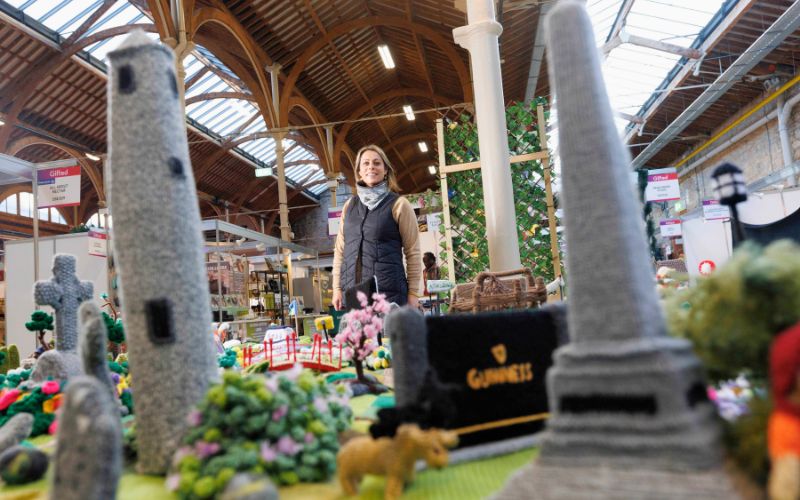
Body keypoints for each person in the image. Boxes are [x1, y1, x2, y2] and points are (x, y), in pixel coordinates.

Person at [332, 145, 421, 310]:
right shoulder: (349, 206)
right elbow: (340, 251)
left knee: (390, 337)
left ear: (385, 169)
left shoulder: (399, 204)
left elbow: (413, 251)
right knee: (359, 337)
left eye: (376, 163)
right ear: (359, 171)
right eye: (365, 163)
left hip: (389, 298)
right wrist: (337, 288)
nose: (371, 167)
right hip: (354, 297)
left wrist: (414, 293)